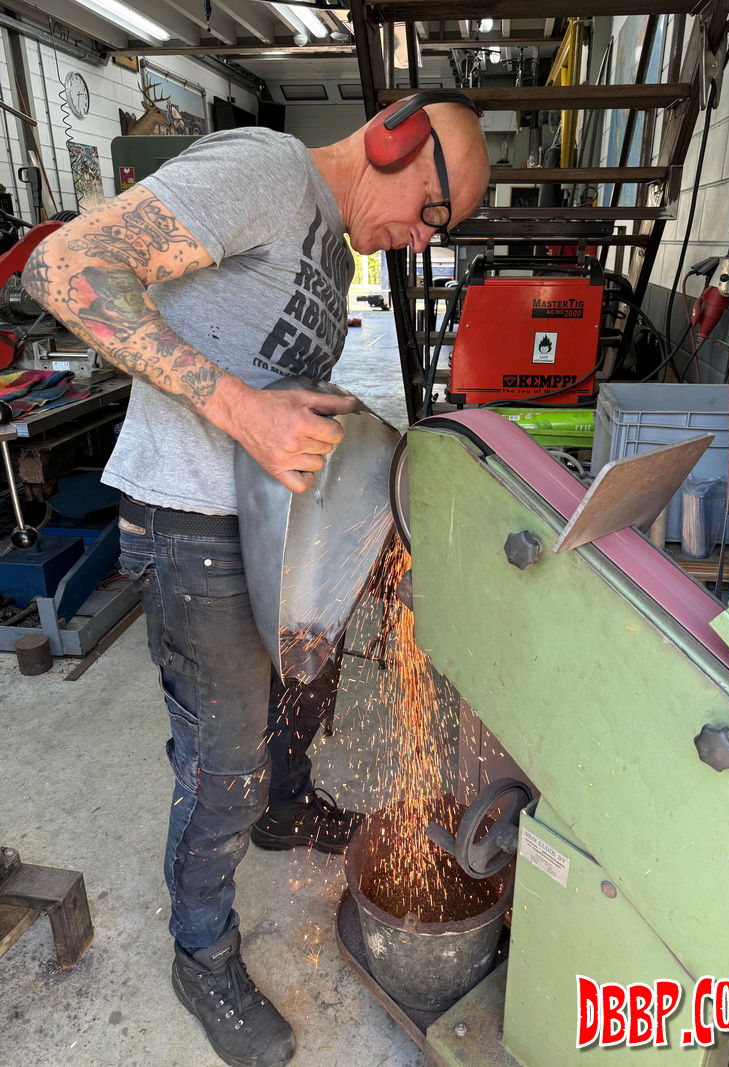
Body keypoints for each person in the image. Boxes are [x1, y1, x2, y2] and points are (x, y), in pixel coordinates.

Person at [22, 95, 489, 1067]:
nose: (421, 238)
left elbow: (283, 383)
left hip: (276, 531)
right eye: (431, 213)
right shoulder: (266, 168)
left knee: (304, 688)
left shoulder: (333, 250)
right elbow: (63, 264)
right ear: (395, 140)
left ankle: (287, 804)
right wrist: (239, 410)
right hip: (193, 527)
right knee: (221, 760)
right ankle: (201, 949)